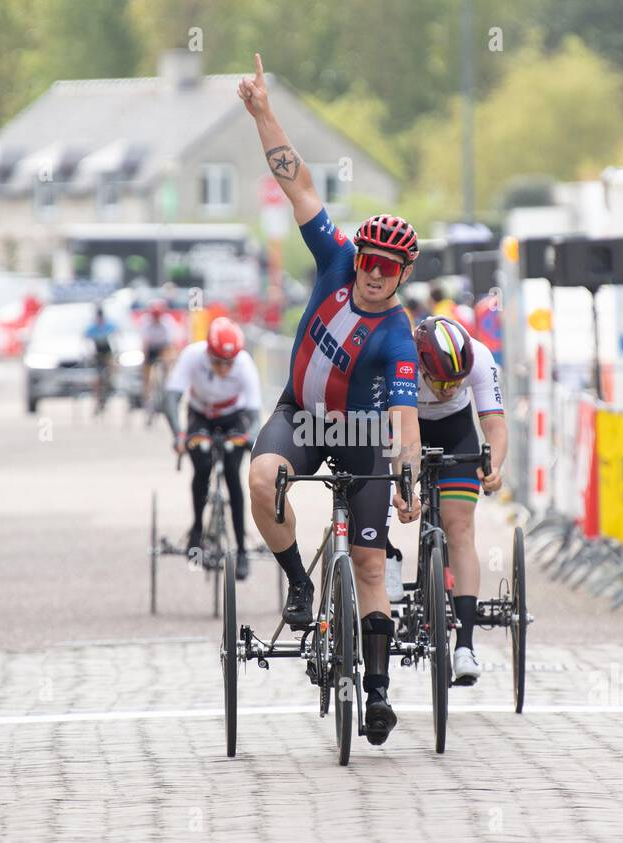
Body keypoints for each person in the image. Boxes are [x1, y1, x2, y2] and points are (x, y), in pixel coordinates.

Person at [238, 53, 422, 746]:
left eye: (388, 269)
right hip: (301, 416)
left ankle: (377, 692)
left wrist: (408, 479)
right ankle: (298, 582)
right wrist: (262, 111)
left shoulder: (398, 334)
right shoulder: (338, 258)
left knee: (373, 563)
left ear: (403, 274)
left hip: (364, 435)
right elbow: (300, 184)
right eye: (369, 263)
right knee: (261, 479)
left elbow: (405, 418)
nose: (373, 275)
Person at [386, 315, 508, 686]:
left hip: (457, 433)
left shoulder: (480, 358)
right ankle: (387, 553)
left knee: (459, 529)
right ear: (421, 366)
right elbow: (392, 431)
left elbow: (495, 425)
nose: (448, 388)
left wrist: (494, 467)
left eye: (457, 382)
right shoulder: (401, 360)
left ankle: (464, 647)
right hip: (406, 425)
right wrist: (403, 483)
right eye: (439, 380)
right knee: (382, 492)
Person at [163, 316, 262, 580]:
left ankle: (241, 550)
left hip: (233, 416)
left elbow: (254, 414)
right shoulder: (192, 356)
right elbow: (171, 398)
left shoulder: (244, 364)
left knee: (233, 473)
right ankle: (197, 530)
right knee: (202, 465)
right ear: (208, 352)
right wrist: (178, 434)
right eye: (218, 361)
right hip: (201, 414)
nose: (224, 368)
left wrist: (251, 436)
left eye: (228, 363)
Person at [139, 297, 176, 410]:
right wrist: (145, 359)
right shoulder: (145, 321)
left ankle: (166, 385)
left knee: (168, 361)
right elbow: (145, 343)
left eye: (158, 316)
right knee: (146, 372)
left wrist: (168, 361)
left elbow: (170, 344)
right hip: (151, 347)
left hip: (163, 347)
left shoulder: (168, 322)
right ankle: (146, 397)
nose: (156, 319)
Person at [85, 304, 118, 412]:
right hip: (97, 352)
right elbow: (86, 341)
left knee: (112, 364)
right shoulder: (92, 327)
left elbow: (115, 339)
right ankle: (97, 400)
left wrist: (117, 351)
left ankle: (112, 381)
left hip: (108, 351)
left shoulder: (109, 326)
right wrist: (89, 353)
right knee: (97, 377)